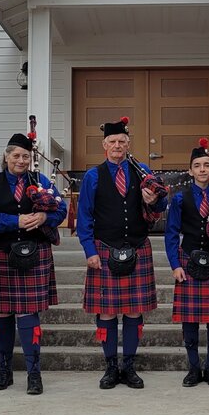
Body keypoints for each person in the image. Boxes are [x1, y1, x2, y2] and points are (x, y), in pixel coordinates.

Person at [76, 116, 168, 389]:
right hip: (104, 249)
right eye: (113, 142)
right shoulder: (93, 176)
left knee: (133, 311)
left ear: (128, 144)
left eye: (122, 142)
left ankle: (129, 366)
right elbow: (84, 218)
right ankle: (110, 367)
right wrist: (89, 250)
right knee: (106, 313)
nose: (117, 146)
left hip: (137, 247)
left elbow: (161, 200)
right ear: (104, 145)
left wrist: (155, 199)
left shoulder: (141, 170)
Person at [0, 132, 67, 396]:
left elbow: (62, 210)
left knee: (28, 314)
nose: (21, 160)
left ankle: (34, 374)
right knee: (2, 314)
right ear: (6, 156)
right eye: (16, 155)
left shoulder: (42, 181)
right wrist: (15, 222)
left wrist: (43, 217)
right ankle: (4, 371)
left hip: (33, 254)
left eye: (26, 156)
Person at [164, 140, 209, 387]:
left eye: (207, 165)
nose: (203, 169)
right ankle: (194, 368)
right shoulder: (180, 198)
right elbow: (171, 233)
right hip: (189, 260)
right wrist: (175, 265)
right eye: (197, 166)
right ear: (190, 170)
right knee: (190, 321)